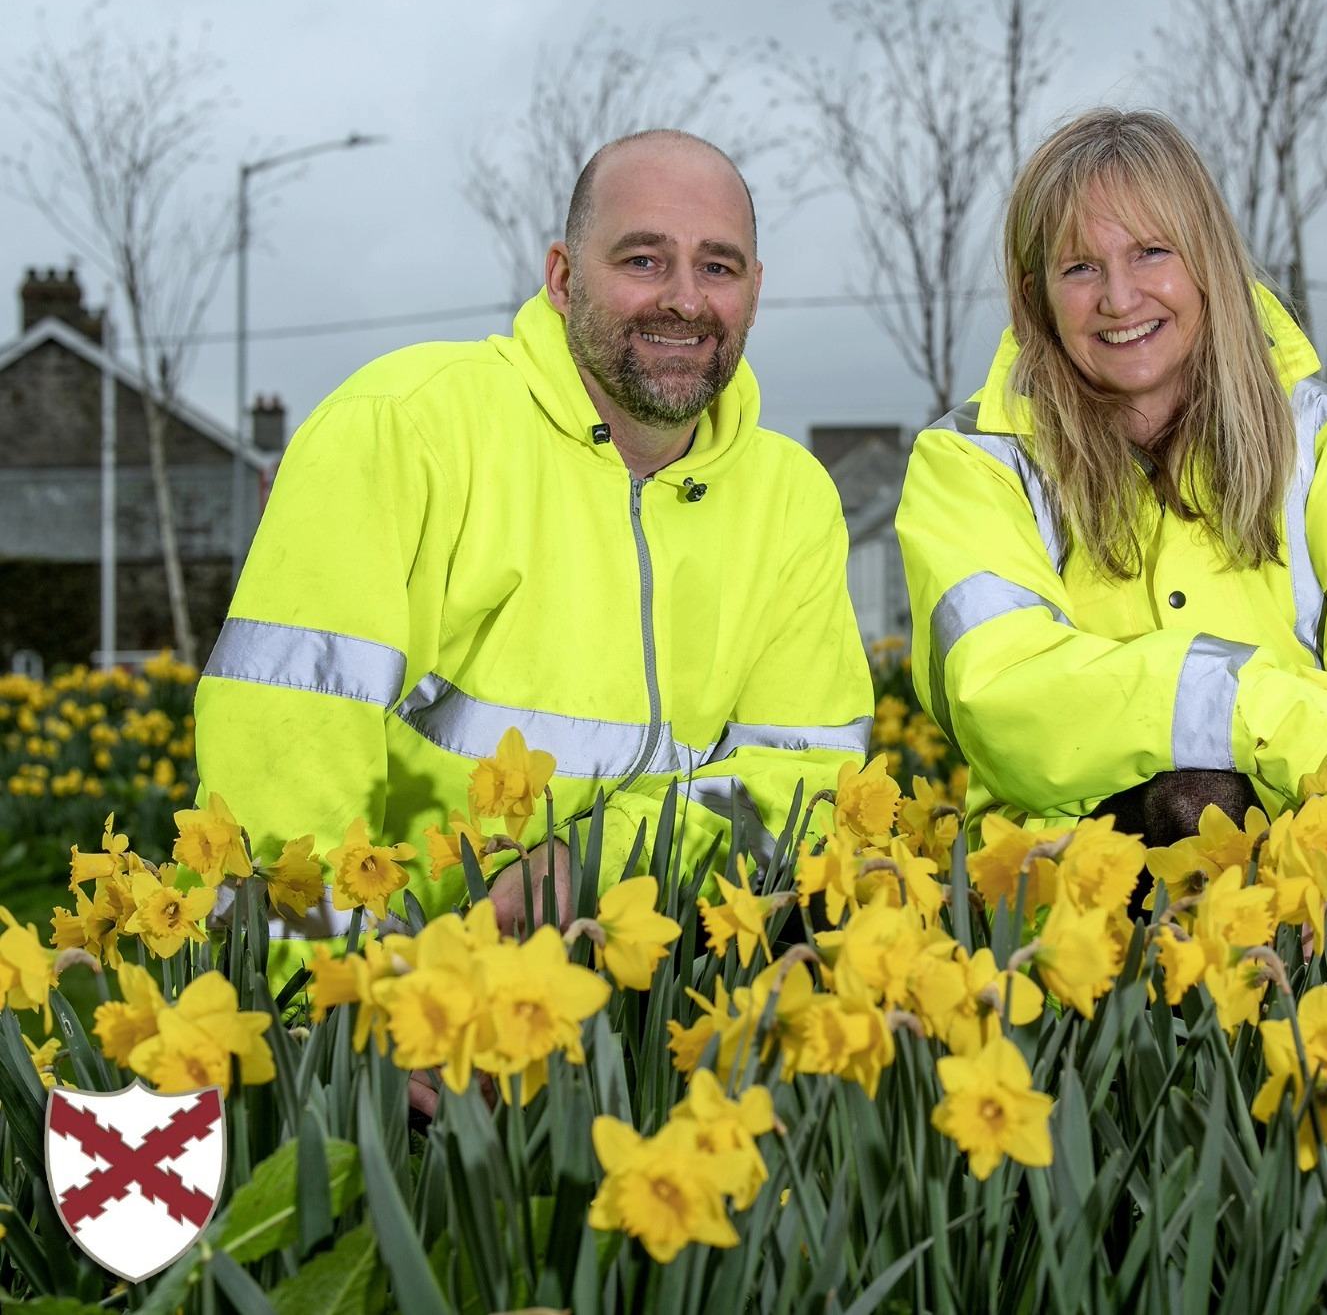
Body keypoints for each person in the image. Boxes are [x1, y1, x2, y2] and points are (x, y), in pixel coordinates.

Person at [196, 130, 873, 943]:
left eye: (718, 267)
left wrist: (591, 862)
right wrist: (343, 1015)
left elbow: (798, 777)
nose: (686, 300)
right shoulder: (403, 428)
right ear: (561, 277)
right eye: (643, 260)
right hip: (395, 985)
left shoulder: (791, 498)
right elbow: (284, 762)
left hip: (654, 982)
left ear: (754, 292)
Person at [895, 110, 1327, 845]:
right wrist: (1261, 715)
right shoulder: (974, 465)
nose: (1119, 297)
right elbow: (1003, 698)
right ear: (1035, 294)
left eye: (1151, 251)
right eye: (1080, 267)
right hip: (1068, 918)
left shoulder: (1324, 443)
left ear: (1209, 261)